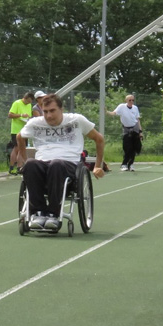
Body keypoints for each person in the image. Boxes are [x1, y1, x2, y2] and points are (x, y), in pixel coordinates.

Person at [15, 93, 105, 229]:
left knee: (56, 164)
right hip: (43, 162)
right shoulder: (35, 123)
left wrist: (97, 166)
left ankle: (53, 213)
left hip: (68, 163)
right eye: (45, 112)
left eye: (52, 111)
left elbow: (99, 139)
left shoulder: (76, 120)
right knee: (30, 164)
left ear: (61, 109)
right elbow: (19, 137)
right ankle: (38, 212)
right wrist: (23, 159)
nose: (49, 116)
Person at [107, 94, 142, 172]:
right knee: (127, 147)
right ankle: (124, 164)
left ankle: (131, 164)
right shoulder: (122, 107)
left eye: (133, 100)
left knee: (134, 148)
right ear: (126, 100)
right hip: (126, 129)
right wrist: (106, 112)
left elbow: (138, 120)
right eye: (130, 100)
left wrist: (140, 131)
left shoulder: (135, 108)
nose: (131, 102)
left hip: (135, 128)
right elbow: (114, 113)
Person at [7, 91, 34, 174]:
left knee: (22, 149)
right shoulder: (17, 103)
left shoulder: (29, 105)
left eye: (30, 102)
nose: (29, 103)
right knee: (16, 148)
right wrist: (21, 115)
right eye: (28, 101)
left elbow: (28, 116)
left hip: (24, 130)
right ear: (25, 98)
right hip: (16, 130)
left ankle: (19, 167)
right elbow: (10, 115)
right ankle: (11, 167)